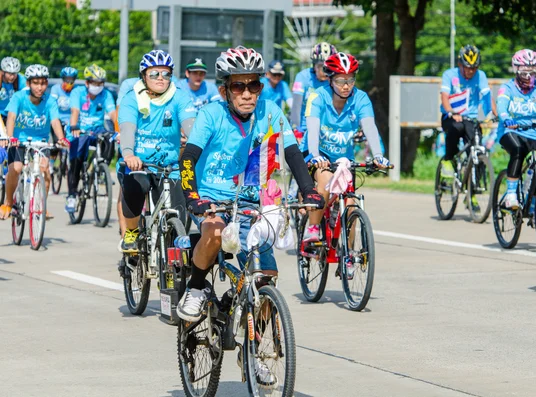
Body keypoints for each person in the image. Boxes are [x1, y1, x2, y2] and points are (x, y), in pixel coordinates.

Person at [176, 46, 324, 326]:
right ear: (224, 91)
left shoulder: (270, 111)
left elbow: (292, 152)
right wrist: (193, 197)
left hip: (252, 202)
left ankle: (258, 357)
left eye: (253, 85)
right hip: (212, 198)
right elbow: (188, 158)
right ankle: (195, 288)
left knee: (267, 276)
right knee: (215, 232)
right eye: (238, 86)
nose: (247, 93)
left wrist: (309, 191)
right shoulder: (210, 115)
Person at [303, 52, 389, 244]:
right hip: (320, 154)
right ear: (330, 79)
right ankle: (313, 229)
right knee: (325, 182)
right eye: (341, 80)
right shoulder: (317, 97)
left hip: (344, 159)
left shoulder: (361, 99)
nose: (346, 85)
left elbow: (370, 127)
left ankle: (349, 256)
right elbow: (313, 129)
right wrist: (315, 155)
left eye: (351, 80)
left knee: (351, 205)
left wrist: (378, 155)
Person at [117, 50, 196, 253]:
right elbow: (127, 129)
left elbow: (191, 127)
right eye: (154, 74)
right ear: (144, 76)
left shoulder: (179, 97)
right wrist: (128, 154)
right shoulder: (131, 98)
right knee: (135, 185)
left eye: (166, 74)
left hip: (170, 166)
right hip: (139, 164)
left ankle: (173, 259)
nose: (161, 78)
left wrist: (197, 145)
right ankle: (132, 232)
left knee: (179, 212)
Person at [0, 65, 69, 220]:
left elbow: (55, 121)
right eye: (36, 83)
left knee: (45, 170)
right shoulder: (18, 97)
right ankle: (9, 202)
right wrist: (10, 138)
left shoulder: (50, 101)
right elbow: (11, 117)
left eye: (43, 83)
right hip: (19, 141)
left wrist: (61, 138)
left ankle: (42, 206)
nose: (40, 87)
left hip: (40, 141)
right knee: (16, 168)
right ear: (28, 83)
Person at [496, 49, 536, 209]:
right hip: (511, 131)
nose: (528, 77)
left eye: (532, 72)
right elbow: (501, 105)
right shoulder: (507, 87)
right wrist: (506, 118)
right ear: (516, 70)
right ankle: (511, 195)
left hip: (535, 133)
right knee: (517, 150)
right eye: (524, 73)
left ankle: (533, 198)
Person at [439, 45, 497, 178]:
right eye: (468, 68)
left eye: (474, 68)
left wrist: (498, 114)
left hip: (470, 118)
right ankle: (448, 160)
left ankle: (474, 187)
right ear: (460, 64)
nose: (471, 71)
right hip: (451, 116)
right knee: (456, 127)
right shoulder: (449, 75)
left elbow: (487, 96)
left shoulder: (480, 76)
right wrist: (451, 112)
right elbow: (444, 96)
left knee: (477, 144)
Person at [65, 64, 117, 213]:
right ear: (87, 83)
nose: (98, 86)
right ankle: (72, 195)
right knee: (76, 159)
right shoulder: (77, 93)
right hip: (79, 130)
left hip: (96, 129)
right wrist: (74, 126)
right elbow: (75, 111)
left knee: (110, 138)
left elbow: (113, 114)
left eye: (101, 83)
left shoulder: (106, 94)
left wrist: (120, 129)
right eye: (94, 83)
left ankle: (101, 169)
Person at [290, 42, 337, 135]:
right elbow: (296, 105)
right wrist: (296, 129)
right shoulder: (302, 77)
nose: (324, 71)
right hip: (304, 128)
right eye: (320, 66)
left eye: (328, 67)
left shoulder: (335, 79)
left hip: (328, 129)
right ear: (314, 65)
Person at [0, 57, 27, 124]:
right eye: (10, 74)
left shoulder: (22, 80)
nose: (12, 77)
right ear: (3, 72)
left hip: (14, 114)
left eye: (14, 74)